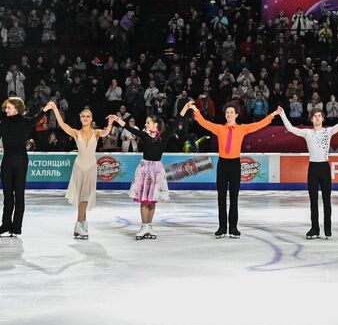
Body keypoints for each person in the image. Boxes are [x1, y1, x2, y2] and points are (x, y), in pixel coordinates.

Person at [183, 101, 278, 238]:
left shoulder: (242, 128)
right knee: (221, 198)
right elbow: (204, 123)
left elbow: (258, 125)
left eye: (232, 112)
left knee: (234, 197)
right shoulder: (219, 128)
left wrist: (273, 114)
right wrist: (195, 110)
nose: (229, 114)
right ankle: (222, 227)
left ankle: (233, 227)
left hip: (235, 165)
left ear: (237, 115)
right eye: (227, 112)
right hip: (222, 165)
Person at [278, 103, 338, 239]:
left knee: (327, 200)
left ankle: (327, 228)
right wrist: (282, 113)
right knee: (313, 200)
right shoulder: (307, 133)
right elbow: (290, 128)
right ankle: (314, 228)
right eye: (315, 116)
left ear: (323, 118)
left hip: (324, 168)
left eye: (320, 116)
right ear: (312, 119)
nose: (318, 118)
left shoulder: (328, 131)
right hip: (313, 168)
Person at [45, 101, 117, 239]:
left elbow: (106, 132)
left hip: (90, 167)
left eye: (88, 116)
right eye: (83, 116)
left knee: (85, 197)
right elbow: (63, 125)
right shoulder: (76, 133)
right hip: (79, 167)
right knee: (81, 197)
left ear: (91, 119)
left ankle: (82, 222)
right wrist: (55, 109)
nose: (85, 118)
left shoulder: (96, 133)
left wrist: (110, 123)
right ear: (80, 118)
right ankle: (79, 224)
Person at [114, 112, 188, 240]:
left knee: (152, 200)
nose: (145, 124)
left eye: (148, 122)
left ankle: (149, 226)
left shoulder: (164, 136)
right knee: (144, 199)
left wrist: (185, 108)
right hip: (144, 170)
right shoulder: (144, 135)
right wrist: (117, 119)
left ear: (155, 124)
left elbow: (176, 122)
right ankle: (144, 226)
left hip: (157, 170)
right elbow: (129, 128)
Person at [0, 95, 35, 238]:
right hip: (7, 160)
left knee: (19, 195)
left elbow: (39, 117)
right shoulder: (4, 119)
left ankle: (17, 227)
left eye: (9, 107)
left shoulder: (26, 122)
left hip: (21, 161)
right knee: (7, 196)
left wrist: (46, 109)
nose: (6, 109)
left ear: (17, 109)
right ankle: (5, 225)